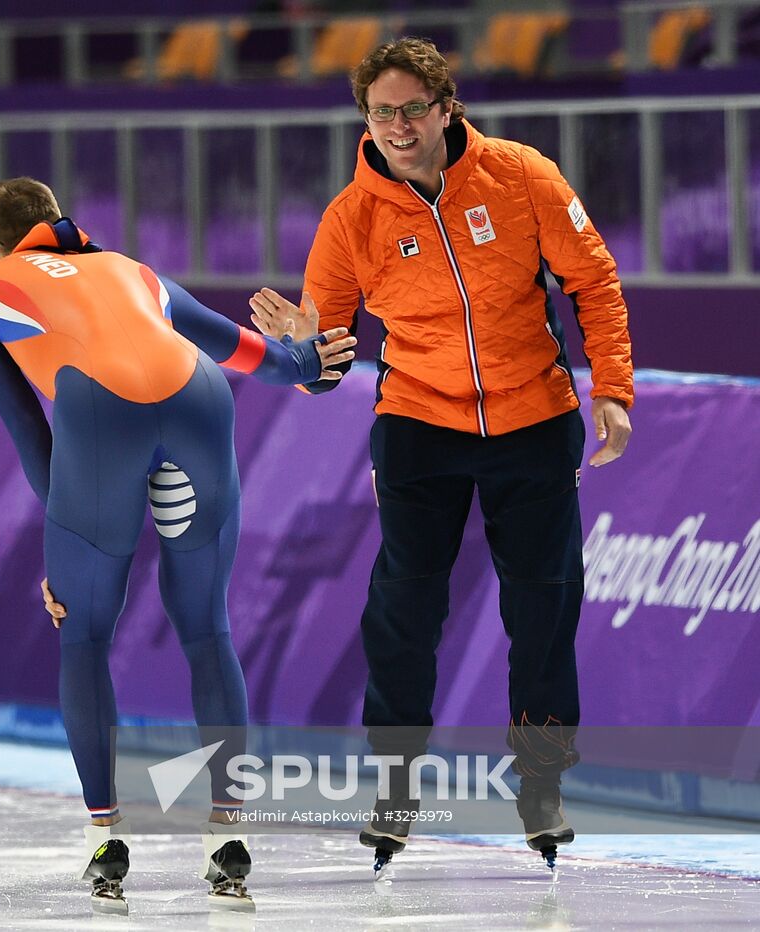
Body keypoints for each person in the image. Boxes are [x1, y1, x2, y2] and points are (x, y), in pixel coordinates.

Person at [249, 37, 634, 876]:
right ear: (365, 119)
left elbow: (593, 280)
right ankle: (394, 784)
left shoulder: (522, 174)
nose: (397, 125)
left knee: (543, 609)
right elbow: (324, 367)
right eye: (381, 112)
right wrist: (305, 353)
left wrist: (613, 389)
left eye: (412, 108)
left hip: (533, 417)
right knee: (405, 610)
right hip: (419, 422)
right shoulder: (351, 218)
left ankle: (540, 787)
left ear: (446, 107)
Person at [0, 177, 355, 908]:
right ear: (60, 222)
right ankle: (228, 834)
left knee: (85, 636)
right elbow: (250, 353)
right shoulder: (133, 270)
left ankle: (106, 838)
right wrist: (308, 364)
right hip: (199, 401)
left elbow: (25, 425)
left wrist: (63, 537)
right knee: (207, 629)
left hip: (98, 418)